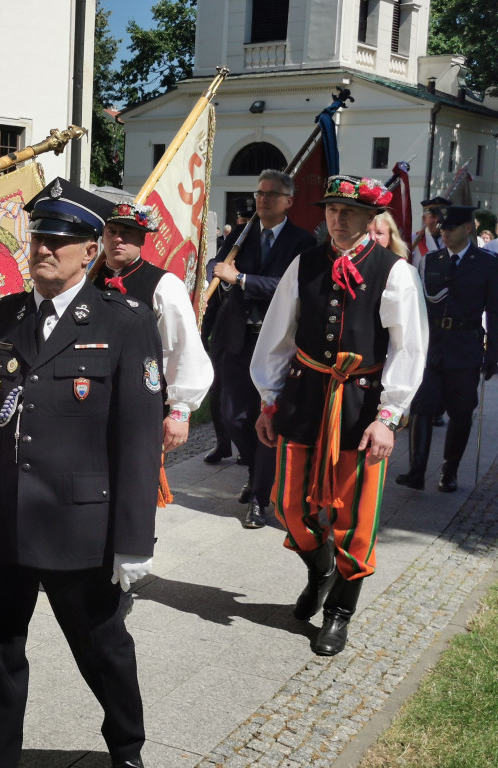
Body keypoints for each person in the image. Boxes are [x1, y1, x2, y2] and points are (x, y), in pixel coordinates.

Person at [0, 178, 162, 768]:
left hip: (79, 527)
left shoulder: (123, 321)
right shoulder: (0, 317)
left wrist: (132, 540)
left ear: (91, 250)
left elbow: (139, 439)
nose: (44, 248)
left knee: (103, 649)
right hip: (2, 523)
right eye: (39, 236)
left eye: (60, 240)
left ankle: (126, 748)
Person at [252, 174, 428, 656]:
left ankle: (339, 612)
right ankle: (321, 569)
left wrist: (388, 416)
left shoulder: (394, 271)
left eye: (349, 212)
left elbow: (407, 347)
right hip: (304, 397)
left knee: (355, 520)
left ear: (372, 219)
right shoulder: (304, 264)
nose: (338, 220)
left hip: (360, 406)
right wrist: (269, 400)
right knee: (290, 508)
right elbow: (278, 335)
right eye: (331, 210)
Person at [209, 170, 317, 529]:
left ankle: (258, 497)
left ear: (289, 201)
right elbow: (216, 265)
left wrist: (240, 279)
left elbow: (291, 288)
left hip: (275, 343)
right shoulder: (242, 235)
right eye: (259, 193)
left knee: (268, 418)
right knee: (232, 416)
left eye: (272, 194)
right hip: (237, 339)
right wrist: (221, 271)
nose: (262, 200)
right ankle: (256, 474)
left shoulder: (303, 243)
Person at [395, 205, 498, 492]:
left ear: (467, 229)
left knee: (461, 411)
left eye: (450, 229)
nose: (444, 233)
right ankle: (416, 471)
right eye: (442, 228)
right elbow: (418, 305)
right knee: (421, 406)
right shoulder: (431, 261)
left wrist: (493, 354)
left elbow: (495, 311)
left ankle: (449, 471)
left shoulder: (487, 264)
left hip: (465, 348)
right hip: (432, 346)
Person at [96, 201, 213, 452]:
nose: (117, 239)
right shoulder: (86, 282)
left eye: (126, 234)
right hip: (90, 404)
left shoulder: (164, 285)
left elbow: (183, 347)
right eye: (111, 232)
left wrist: (180, 410)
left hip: (142, 406)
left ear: (142, 240)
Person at [410, 196, 449, 273]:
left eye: (441, 216)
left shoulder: (452, 239)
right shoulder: (413, 239)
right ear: (424, 219)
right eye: (433, 217)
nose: (437, 220)